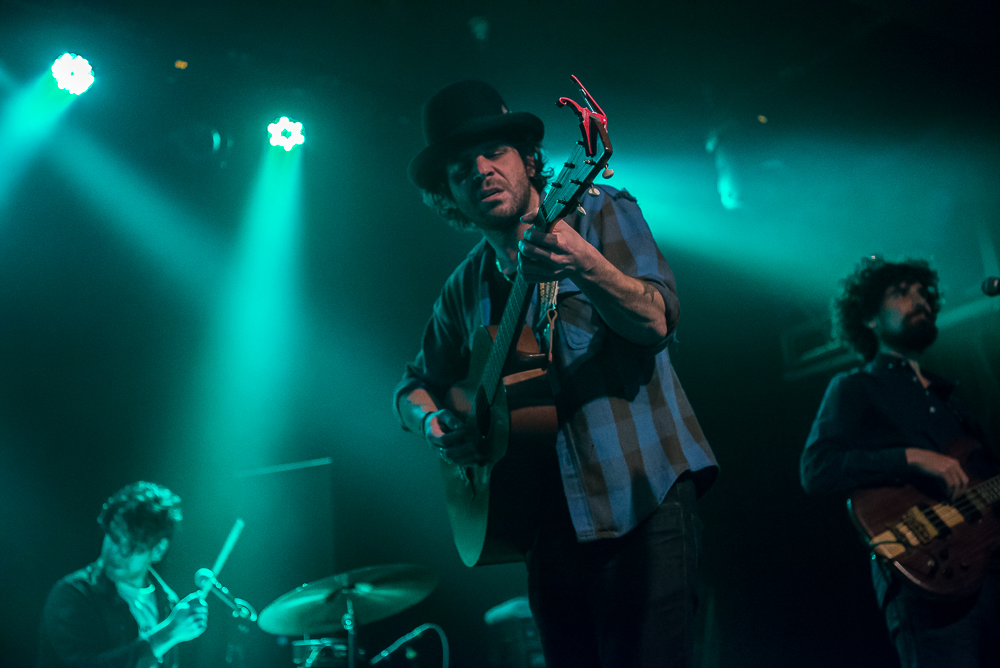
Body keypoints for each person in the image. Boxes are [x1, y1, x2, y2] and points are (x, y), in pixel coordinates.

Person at [393, 79, 717, 668]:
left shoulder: (600, 211)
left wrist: (586, 264)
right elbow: (412, 387)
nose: (481, 170)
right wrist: (436, 422)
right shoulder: (464, 287)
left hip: (641, 501)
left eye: (495, 153)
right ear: (448, 193)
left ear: (530, 161)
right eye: (462, 166)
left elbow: (657, 321)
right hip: (546, 528)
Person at [800, 256, 1000, 667]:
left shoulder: (951, 397)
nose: (920, 300)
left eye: (923, 292)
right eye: (902, 293)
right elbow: (817, 468)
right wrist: (912, 457)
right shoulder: (856, 387)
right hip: (929, 575)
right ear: (870, 318)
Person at [37, 481, 209, 668]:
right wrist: (168, 634)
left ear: (158, 549)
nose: (117, 552)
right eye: (114, 537)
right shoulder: (74, 594)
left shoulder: (167, 600)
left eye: (132, 546)